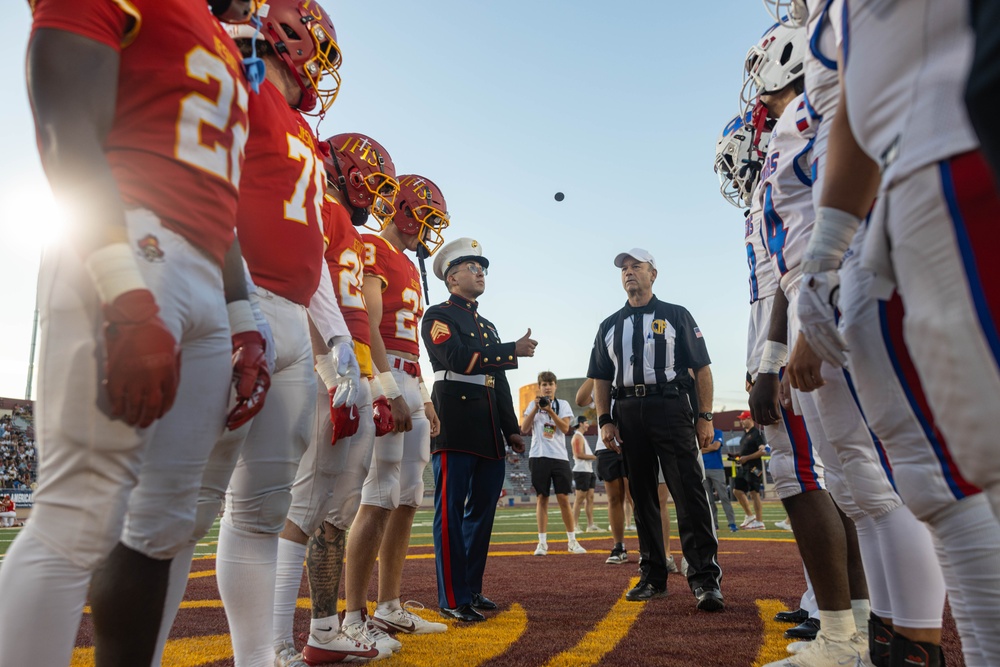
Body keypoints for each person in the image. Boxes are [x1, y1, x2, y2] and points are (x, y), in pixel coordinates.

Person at [0, 2, 264, 666]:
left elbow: (219, 195)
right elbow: (64, 121)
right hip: (129, 240)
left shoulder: (220, 38)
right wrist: (121, 287)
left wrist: (243, 317)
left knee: (163, 527)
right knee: (78, 512)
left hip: (205, 272)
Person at [781, 0, 1000, 663]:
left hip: (968, 149)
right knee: (947, 475)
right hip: (908, 194)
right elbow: (859, 102)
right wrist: (827, 253)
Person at [271, 139, 418, 667]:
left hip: (352, 363)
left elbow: (347, 308)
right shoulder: (317, 205)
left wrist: (372, 381)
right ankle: (276, 644)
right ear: (349, 173)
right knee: (305, 506)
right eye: (374, 183)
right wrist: (330, 369)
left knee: (338, 510)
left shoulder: (346, 225)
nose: (377, 198)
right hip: (327, 364)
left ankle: (324, 630)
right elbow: (310, 288)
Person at [341, 169, 447, 648]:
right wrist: (388, 388)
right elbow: (370, 320)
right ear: (405, 210)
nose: (428, 229)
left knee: (407, 497)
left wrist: (422, 395)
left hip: (408, 376)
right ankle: (352, 615)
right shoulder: (373, 246)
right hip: (383, 375)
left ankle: (389, 606)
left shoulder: (406, 263)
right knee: (378, 495)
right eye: (426, 216)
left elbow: (410, 341)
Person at [588, 248, 723, 611]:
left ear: (654, 274)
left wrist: (705, 415)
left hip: (671, 405)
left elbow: (703, 368)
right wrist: (605, 420)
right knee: (642, 495)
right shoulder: (609, 325)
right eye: (624, 269)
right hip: (628, 410)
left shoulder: (677, 315)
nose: (629, 273)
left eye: (637, 267)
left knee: (688, 492)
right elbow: (601, 376)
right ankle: (652, 575)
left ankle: (705, 580)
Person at [422, 237, 534, 622]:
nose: (480, 272)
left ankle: (471, 589)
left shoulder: (486, 326)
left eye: (482, 268)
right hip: (455, 420)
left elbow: (497, 381)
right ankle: (452, 597)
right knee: (451, 512)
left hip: (488, 426)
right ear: (452, 278)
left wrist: (512, 428)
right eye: (473, 268)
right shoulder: (437, 315)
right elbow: (455, 358)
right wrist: (510, 350)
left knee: (482, 512)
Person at [523, 371, 585, 556]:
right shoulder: (532, 405)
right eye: (544, 384)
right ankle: (542, 543)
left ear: (555, 386)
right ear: (539, 387)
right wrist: (536, 409)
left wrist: (550, 411)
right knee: (542, 498)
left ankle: (572, 541)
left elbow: (566, 428)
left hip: (559, 457)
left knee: (563, 499)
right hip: (538, 455)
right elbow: (525, 428)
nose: (547, 387)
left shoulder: (563, 405)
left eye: (550, 383)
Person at [576, 378, 633, 564]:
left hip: (632, 441)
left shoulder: (628, 372)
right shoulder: (601, 380)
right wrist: (594, 373)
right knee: (614, 498)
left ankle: (648, 547)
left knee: (635, 497)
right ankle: (619, 546)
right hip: (606, 445)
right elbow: (580, 399)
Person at [733, 413, 766, 530]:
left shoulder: (757, 434)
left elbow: (763, 451)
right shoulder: (745, 435)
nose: (741, 422)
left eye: (743, 419)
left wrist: (746, 458)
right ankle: (749, 515)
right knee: (737, 490)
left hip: (754, 468)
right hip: (744, 468)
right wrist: (738, 457)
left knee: (754, 493)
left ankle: (759, 521)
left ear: (750, 419)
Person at [701, 429, 738, 532]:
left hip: (716, 469)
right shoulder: (699, 432)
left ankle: (732, 523)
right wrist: (709, 448)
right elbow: (696, 449)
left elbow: (716, 446)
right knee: (708, 500)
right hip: (702, 469)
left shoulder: (717, 432)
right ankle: (714, 524)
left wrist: (702, 448)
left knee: (724, 497)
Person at [570, 416, 600, 533]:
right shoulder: (577, 436)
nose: (587, 425)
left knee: (590, 498)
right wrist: (595, 457)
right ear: (581, 423)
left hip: (588, 470)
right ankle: (574, 526)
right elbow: (578, 455)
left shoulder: (581, 436)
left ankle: (590, 525)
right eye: (586, 422)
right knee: (579, 499)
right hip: (581, 470)